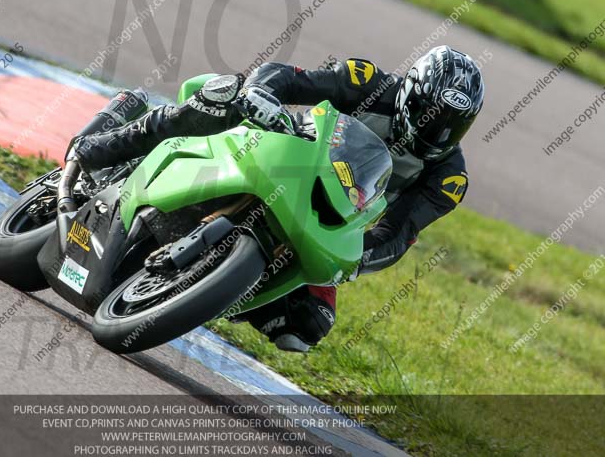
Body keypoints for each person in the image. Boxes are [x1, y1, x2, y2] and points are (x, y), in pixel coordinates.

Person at [74, 45, 484, 352]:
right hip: (288, 152)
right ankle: (104, 145)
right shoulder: (369, 82)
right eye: (432, 116)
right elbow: (285, 76)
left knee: (307, 325)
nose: (438, 133)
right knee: (222, 100)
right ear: (411, 94)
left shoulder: (449, 178)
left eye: (453, 127)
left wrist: (357, 259)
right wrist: (262, 94)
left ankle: (204, 288)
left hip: (326, 213)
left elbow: (398, 234)